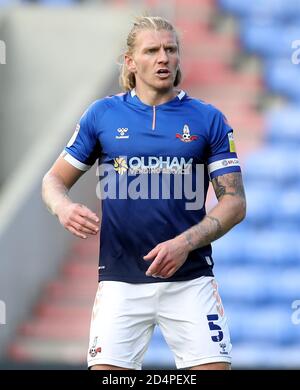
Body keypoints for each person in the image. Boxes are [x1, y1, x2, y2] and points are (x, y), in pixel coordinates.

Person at [42, 16, 246, 370]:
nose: (163, 58)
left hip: (190, 280)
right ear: (131, 62)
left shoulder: (207, 119)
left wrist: (183, 243)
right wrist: (62, 207)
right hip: (120, 281)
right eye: (152, 50)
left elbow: (235, 202)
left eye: (170, 49)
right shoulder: (102, 114)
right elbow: (53, 181)